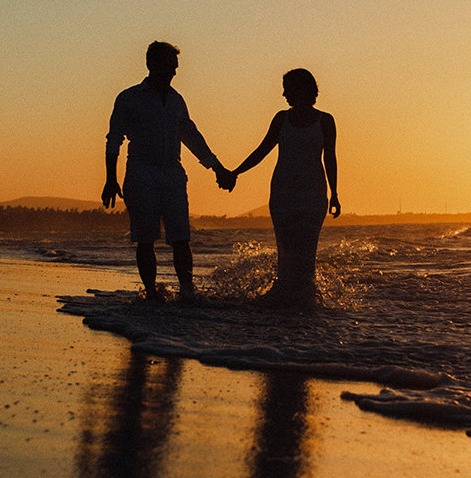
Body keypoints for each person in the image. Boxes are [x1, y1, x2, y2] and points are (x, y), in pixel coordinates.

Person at [103, 41, 234, 301]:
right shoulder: (129, 98)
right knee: (145, 238)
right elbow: (114, 139)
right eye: (169, 66)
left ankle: (187, 292)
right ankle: (151, 293)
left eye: (175, 67)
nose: (173, 72)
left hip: (173, 173)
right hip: (141, 172)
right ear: (152, 65)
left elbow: (192, 137)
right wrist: (110, 179)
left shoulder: (176, 100)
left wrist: (218, 169)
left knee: (181, 236)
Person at [226, 68, 339, 307]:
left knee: (307, 252)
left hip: (313, 195)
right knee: (285, 252)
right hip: (283, 194)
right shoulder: (281, 119)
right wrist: (236, 172)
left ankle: (306, 300)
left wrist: (336, 193)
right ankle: (282, 298)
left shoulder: (325, 121)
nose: (284, 94)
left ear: (304, 90)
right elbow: (262, 150)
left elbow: (330, 157)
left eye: (288, 88)